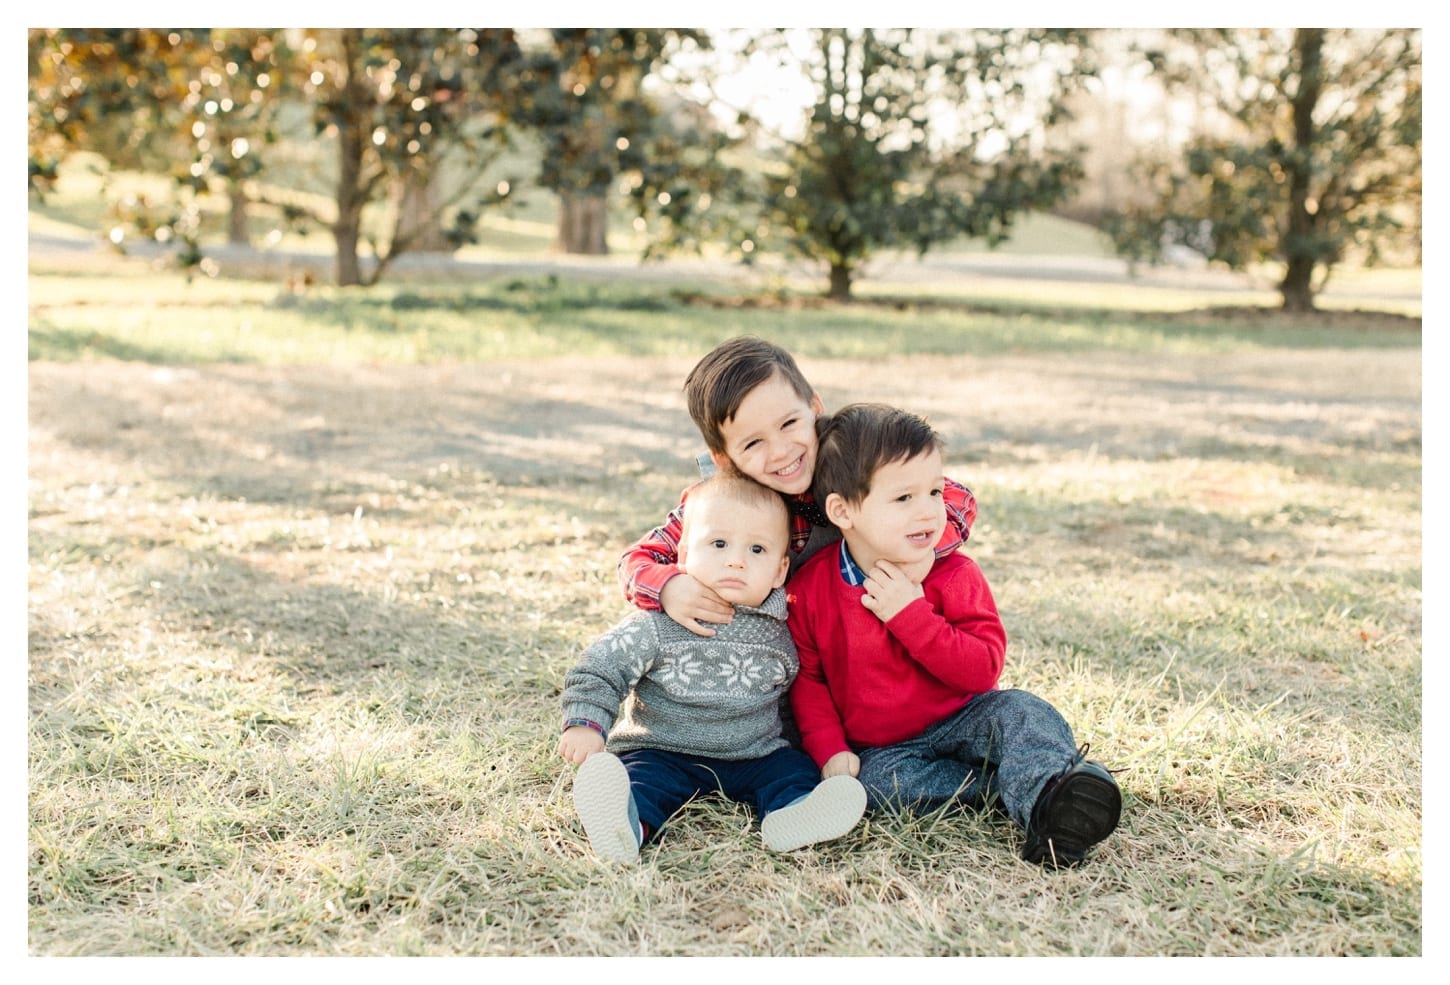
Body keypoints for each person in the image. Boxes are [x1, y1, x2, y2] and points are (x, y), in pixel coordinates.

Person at [786, 402, 1122, 868]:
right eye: (903, 499)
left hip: (967, 716)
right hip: (886, 749)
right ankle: (999, 784)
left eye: (934, 491)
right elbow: (810, 681)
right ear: (843, 510)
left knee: (1022, 713)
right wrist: (832, 751)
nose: (927, 511)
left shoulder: (955, 574)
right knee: (875, 787)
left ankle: (1051, 801)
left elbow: (981, 671)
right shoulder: (811, 591)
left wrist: (911, 615)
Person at [559, 471, 867, 863]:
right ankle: (625, 826)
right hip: (662, 750)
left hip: (754, 754)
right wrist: (586, 723)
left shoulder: (786, 630)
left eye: (757, 550)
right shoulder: (660, 623)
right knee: (642, 783)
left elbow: (807, 690)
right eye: (719, 543)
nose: (736, 561)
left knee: (791, 772)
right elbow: (602, 666)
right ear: (684, 555)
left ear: (779, 570)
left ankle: (795, 814)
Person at [618, 335, 977, 636]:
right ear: (723, 458)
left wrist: (916, 551)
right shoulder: (724, 502)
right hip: (777, 653)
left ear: (814, 407)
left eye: (789, 423)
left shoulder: (851, 457)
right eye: (752, 443)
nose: (780, 452)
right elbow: (636, 560)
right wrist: (668, 587)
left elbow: (955, 498)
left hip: (870, 629)